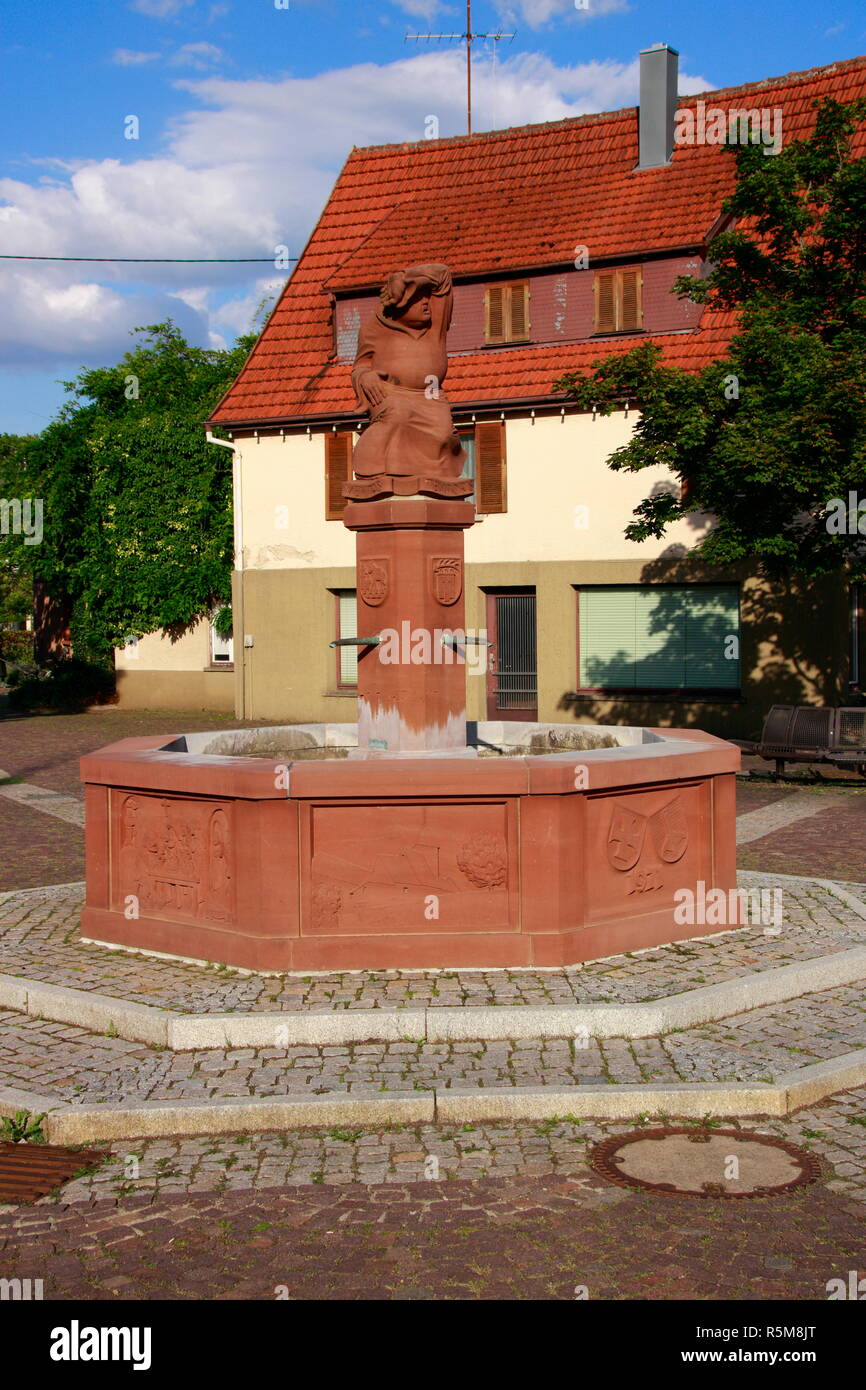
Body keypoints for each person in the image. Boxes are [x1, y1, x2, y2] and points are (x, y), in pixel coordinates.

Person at [350, 262, 466, 480]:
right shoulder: (373, 329)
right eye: (416, 298)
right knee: (397, 417)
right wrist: (366, 376)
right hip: (391, 393)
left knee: (444, 436)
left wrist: (405, 278)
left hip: (430, 395)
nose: (425, 303)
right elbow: (360, 366)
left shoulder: (435, 325)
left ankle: (432, 483)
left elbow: (443, 276)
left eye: (425, 296)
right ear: (399, 306)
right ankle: (375, 472)